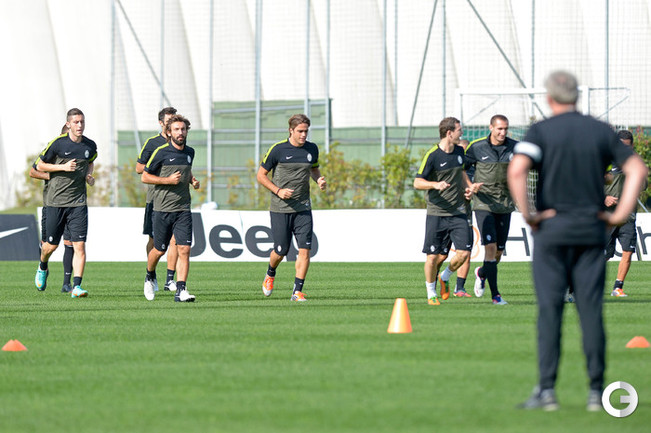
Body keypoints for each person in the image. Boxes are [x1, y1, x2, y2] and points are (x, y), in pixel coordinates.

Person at [508, 71, 647, 411]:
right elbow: (637, 170)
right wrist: (618, 215)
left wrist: (529, 214)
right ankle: (596, 392)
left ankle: (546, 391)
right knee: (590, 312)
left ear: (549, 98)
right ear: (577, 97)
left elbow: (516, 170)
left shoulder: (541, 131)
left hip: (553, 230)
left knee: (550, 311)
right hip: (590, 229)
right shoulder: (600, 130)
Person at [257, 114, 327, 302]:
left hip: (303, 208)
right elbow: (261, 176)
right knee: (281, 250)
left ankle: (297, 291)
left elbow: (313, 169)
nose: (303, 135)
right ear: (291, 130)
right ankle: (270, 273)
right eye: (300, 131)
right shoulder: (278, 150)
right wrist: (278, 191)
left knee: (305, 249)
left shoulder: (312, 149)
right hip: (280, 209)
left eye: (306, 131)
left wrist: (319, 179)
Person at [414, 117, 481, 305]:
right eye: (459, 130)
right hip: (437, 213)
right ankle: (431, 293)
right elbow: (417, 182)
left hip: (458, 212)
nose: (462, 133)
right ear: (449, 133)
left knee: (464, 253)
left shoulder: (460, 151)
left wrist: (469, 187)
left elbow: (462, 172)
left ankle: (444, 277)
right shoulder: (433, 155)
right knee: (433, 257)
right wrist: (435, 184)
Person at [34, 108, 98, 298]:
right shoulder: (57, 144)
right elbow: (39, 165)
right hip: (56, 202)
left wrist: (88, 175)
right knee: (50, 246)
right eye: (76, 122)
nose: (80, 125)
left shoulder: (90, 145)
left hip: (78, 202)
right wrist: (62, 167)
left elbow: (91, 161)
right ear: (68, 124)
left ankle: (76, 286)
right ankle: (43, 265)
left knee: (79, 246)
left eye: (82, 122)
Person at [141, 114, 200, 302]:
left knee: (185, 249)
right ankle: (149, 275)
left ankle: (181, 290)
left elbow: (186, 171)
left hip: (183, 208)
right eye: (176, 129)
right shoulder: (161, 152)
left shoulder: (190, 152)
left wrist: (192, 180)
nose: (180, 132)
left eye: (183, 129)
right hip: (162, 209)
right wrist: (167, 180)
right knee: (159, 250)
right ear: (169, 132)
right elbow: (145, 176)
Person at [465, 115, 517, 305]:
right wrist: (470, 185)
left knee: (498, 252)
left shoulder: (515, 147)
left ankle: (482, 272)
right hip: (483, 204)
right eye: (499, 129)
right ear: (491, 128)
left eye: (505, 129)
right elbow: (462, 169)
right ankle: (496, 296)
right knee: (491, 247)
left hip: (505, 203)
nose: (503, 132)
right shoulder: (477, 147)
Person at [136, 107, 179, 292]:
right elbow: (139, 168)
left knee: (176, 240)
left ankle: (170, 279)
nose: (171, 124)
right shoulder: (153, 143)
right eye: (168, 121)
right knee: (154, 240)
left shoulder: (180, 143)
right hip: (156, 199)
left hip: (176, 200)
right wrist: (161, 168)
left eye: (174, 121)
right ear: (161, 123)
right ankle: (151, 274)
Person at [603, 130, 646, 297]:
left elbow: (643, 185)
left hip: (628, 216)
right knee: (604, 255)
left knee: (628, 251)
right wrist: (604, 198)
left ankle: (618, 288)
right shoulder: (605, 161)